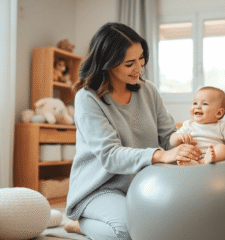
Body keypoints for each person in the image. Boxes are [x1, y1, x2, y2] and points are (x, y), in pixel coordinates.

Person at [64, 22, 203, 240]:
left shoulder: (148, 90)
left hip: (142, 185)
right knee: (128, 233)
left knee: (174, 223)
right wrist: (161, 155)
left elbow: (168, 138)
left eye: (141, 58)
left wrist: (187, 146)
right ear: (107, 64)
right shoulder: (87, 98)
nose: (139, 68)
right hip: (100, 188)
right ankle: (81, 225)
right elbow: (110, 155)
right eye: (130, 63)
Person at [170, 86, 225, 165]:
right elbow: (172, 142)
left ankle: (204, 161)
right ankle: (193, 162)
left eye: (205, 104)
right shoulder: (188, 124)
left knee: (222, 148)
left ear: (218, 113)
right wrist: (178, 137)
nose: (198, 106)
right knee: (182, 151)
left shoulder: (222, 126)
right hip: (193, 156)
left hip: (213, 157)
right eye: (195, 103)